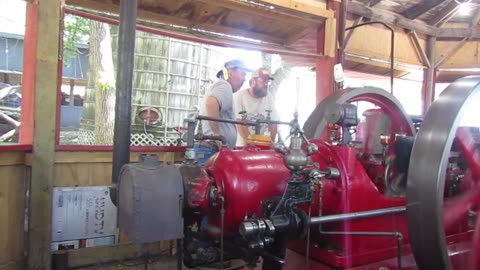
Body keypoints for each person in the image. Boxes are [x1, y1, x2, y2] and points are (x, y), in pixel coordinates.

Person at [196, 59, 250, 160]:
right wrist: (217, 135)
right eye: (242, 74)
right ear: (230, 73)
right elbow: (211, 103)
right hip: (211, 150)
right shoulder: (225, 85)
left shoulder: (221, 86)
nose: (244, 79)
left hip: (209, 148)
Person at [234, 67, 278, 147]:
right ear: (253, 81)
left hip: (264, 147)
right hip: (244, 147)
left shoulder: (269, 97)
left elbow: (273, 123)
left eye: (267, 82)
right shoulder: (239, 96)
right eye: (264, 81)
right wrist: (253, 145)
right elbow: (240, 124)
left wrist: (271, 142)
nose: (266, 85)